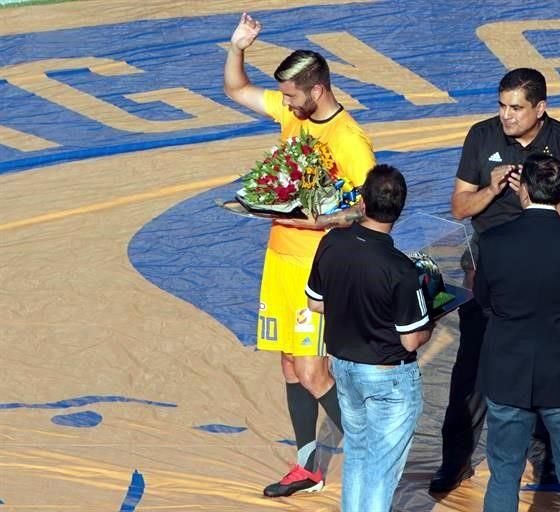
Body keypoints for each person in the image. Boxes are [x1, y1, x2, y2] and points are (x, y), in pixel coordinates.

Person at [224, 13, 375, 497]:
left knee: (314, 371)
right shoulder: (296, 114)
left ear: (318, 89)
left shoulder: (349, 139)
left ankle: (375, 450)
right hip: (280, 261)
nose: (285, 104)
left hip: (319, 268)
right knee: (290, 366)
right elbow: (237, 90)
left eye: (291, 96)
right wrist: (237, 47)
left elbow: (367, 210)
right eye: (283, 97)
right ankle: (308, 467)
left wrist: (304, 221)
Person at [432, 67, 560, 493]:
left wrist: (529, 200)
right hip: (490, 263)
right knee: (474, 363)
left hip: (543, 262)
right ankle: (455, 461)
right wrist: (492, 190)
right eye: (502, 106)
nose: (507, 116)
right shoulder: (482, 136)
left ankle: (548, 461)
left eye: (516, 108)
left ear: (541, 108)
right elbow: (461, 207)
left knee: (544, 362)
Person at [475, 153, 560, 512]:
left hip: (508, 375)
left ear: (523, 190)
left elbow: (484, 300)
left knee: (504, 475)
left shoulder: (493, 241)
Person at [305, 164, 434, 512]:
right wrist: (429, 321)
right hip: (387, 376)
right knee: (381, 469)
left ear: (362, 203)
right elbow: (411, 341)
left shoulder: (332, 241)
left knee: (359, 455)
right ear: (400, 210)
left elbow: (315, 303)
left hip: (344, 368)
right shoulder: (401, 270)